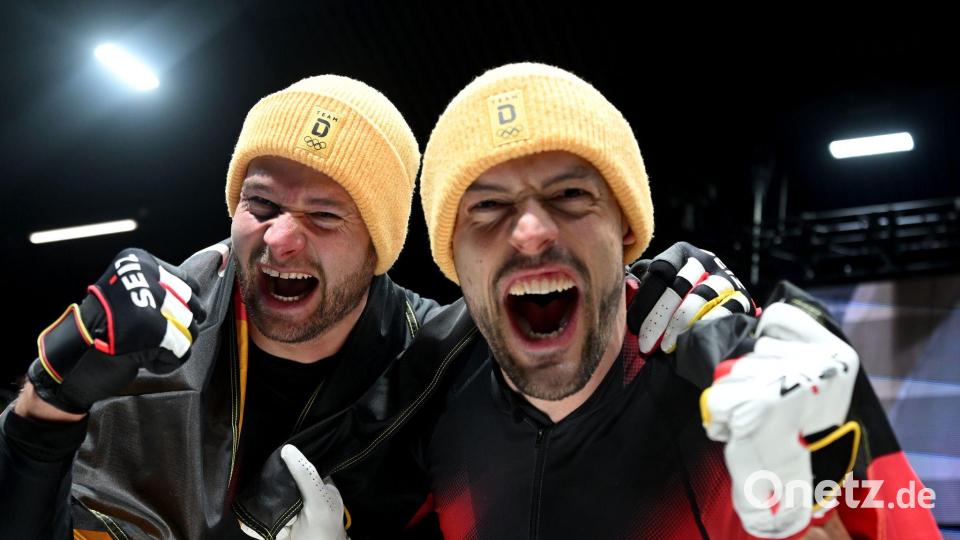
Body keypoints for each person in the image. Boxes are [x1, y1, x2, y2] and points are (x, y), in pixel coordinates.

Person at [0, 73, 742, 540]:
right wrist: (45, 404)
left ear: (380, 247)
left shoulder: (441, 361)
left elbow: (583, 299)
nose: (282, 239)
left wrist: (677, 282)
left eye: (326, 216)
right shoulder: (153, 332)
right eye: (260, 204)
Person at [258, 63, 938, 540]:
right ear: (454, 263)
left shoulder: (745, 387)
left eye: (570, 196)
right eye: (488, 207)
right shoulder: (430, 407)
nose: (530, 231)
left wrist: (852, 501)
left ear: (627, 231)